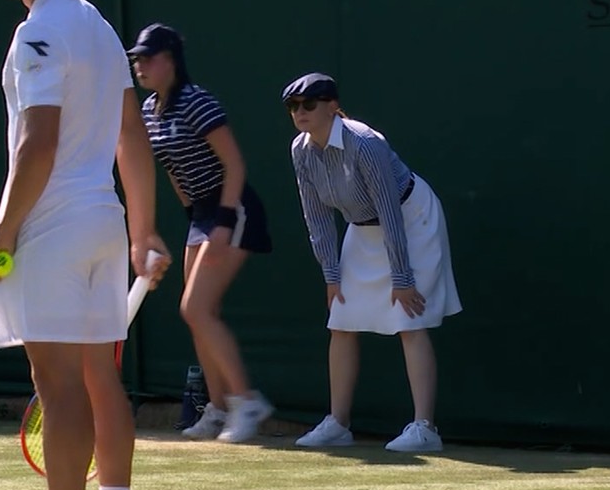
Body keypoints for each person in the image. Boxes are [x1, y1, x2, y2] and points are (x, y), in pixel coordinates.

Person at [0, 0, 169, 490]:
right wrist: (142, 231)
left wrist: (4, 229)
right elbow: (129, 138)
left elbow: (38, 143)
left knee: (58, 385)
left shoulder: (39, 34)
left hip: (55, 229)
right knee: (95, 380)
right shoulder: (100, 28)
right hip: (104, 226)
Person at [283, 73, 461, 453]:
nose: (300, 112)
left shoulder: (365, 143)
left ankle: (425, 427)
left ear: (332, 106)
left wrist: (402, 275)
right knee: (341, 321)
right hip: (361, 230)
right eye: (294, 107)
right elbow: (315, 217)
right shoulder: (300, 150)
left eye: (309, 104)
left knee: (409, 320)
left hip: (411, 218)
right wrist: (331, 274)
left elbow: (389, 211)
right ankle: (338, 423)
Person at [126, 23, 273, 444]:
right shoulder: (149, 111)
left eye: (148, 57)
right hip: (201, 213)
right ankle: (219, 407)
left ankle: (248, 402)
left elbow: (235, 164)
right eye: (136, 59)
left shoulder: (197, 102)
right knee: (194, 314)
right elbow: (173, 170)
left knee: (195, 308)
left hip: (233, 207)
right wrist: (194, 216)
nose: (140, 66)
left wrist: (223, 221)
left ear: (170, 60)